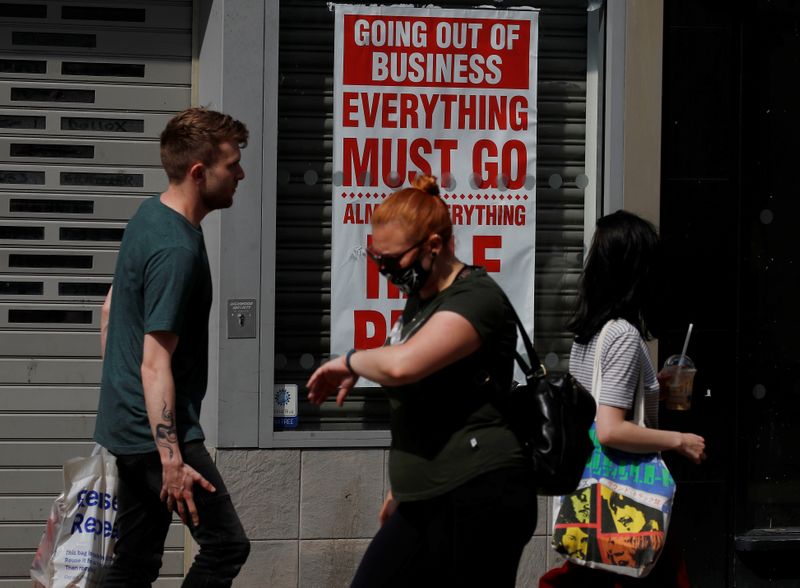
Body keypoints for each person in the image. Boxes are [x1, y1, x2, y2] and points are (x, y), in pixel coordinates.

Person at [306, 175, 537, 587]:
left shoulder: (476, 298)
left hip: (481, 490)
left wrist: (351, 361)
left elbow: (404, 366)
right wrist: (403, 486)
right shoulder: (422, 300)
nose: (387, 271)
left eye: (394, 261)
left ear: (434, 245)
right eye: (379, 261)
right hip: (428, 493)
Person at [94, 107, 250, 587]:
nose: (240, 173)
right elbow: (154, 361)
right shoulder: (177, 250)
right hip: (157, 436)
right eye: (232, 165)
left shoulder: (149, 214)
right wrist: (171, 460)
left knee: (136, 562)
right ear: (200, 173)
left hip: (129, 425)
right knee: (226, 545)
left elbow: (110, 308)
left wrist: (120, 398)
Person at [539, 210, 705, 588]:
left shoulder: (591, 334)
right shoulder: (625, 336)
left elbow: (596, 407)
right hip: (627, 500)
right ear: (638, 271)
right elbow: (611, 429)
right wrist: (679, 441)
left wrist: (652, 388)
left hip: (594, 495)